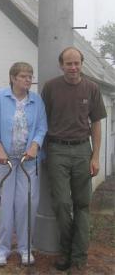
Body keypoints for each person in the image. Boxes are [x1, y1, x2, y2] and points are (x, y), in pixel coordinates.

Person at [42, 47, 107, 272]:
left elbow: (97, 123)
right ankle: (66, 251)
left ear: (82, 63)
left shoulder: (92, 88)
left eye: (77, 63)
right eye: (68, 63)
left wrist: (95, 156)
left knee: (82, 205)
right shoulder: (50, 88)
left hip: (82, 152)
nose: (73, 67)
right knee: (61, 204)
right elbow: (43, 121)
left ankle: (79, 257)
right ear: (61, 65)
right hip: (57, 150)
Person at [0, 62, 47, 266]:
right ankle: (2, 249)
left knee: (26, 203)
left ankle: (25, 247)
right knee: (3, 204)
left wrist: (35, 146)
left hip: (28, 161)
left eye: (30, 76)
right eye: (23, 76)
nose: (28, 79)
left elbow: (41, 127)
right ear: (12, 78)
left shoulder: (36, 100)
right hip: (4, 161)